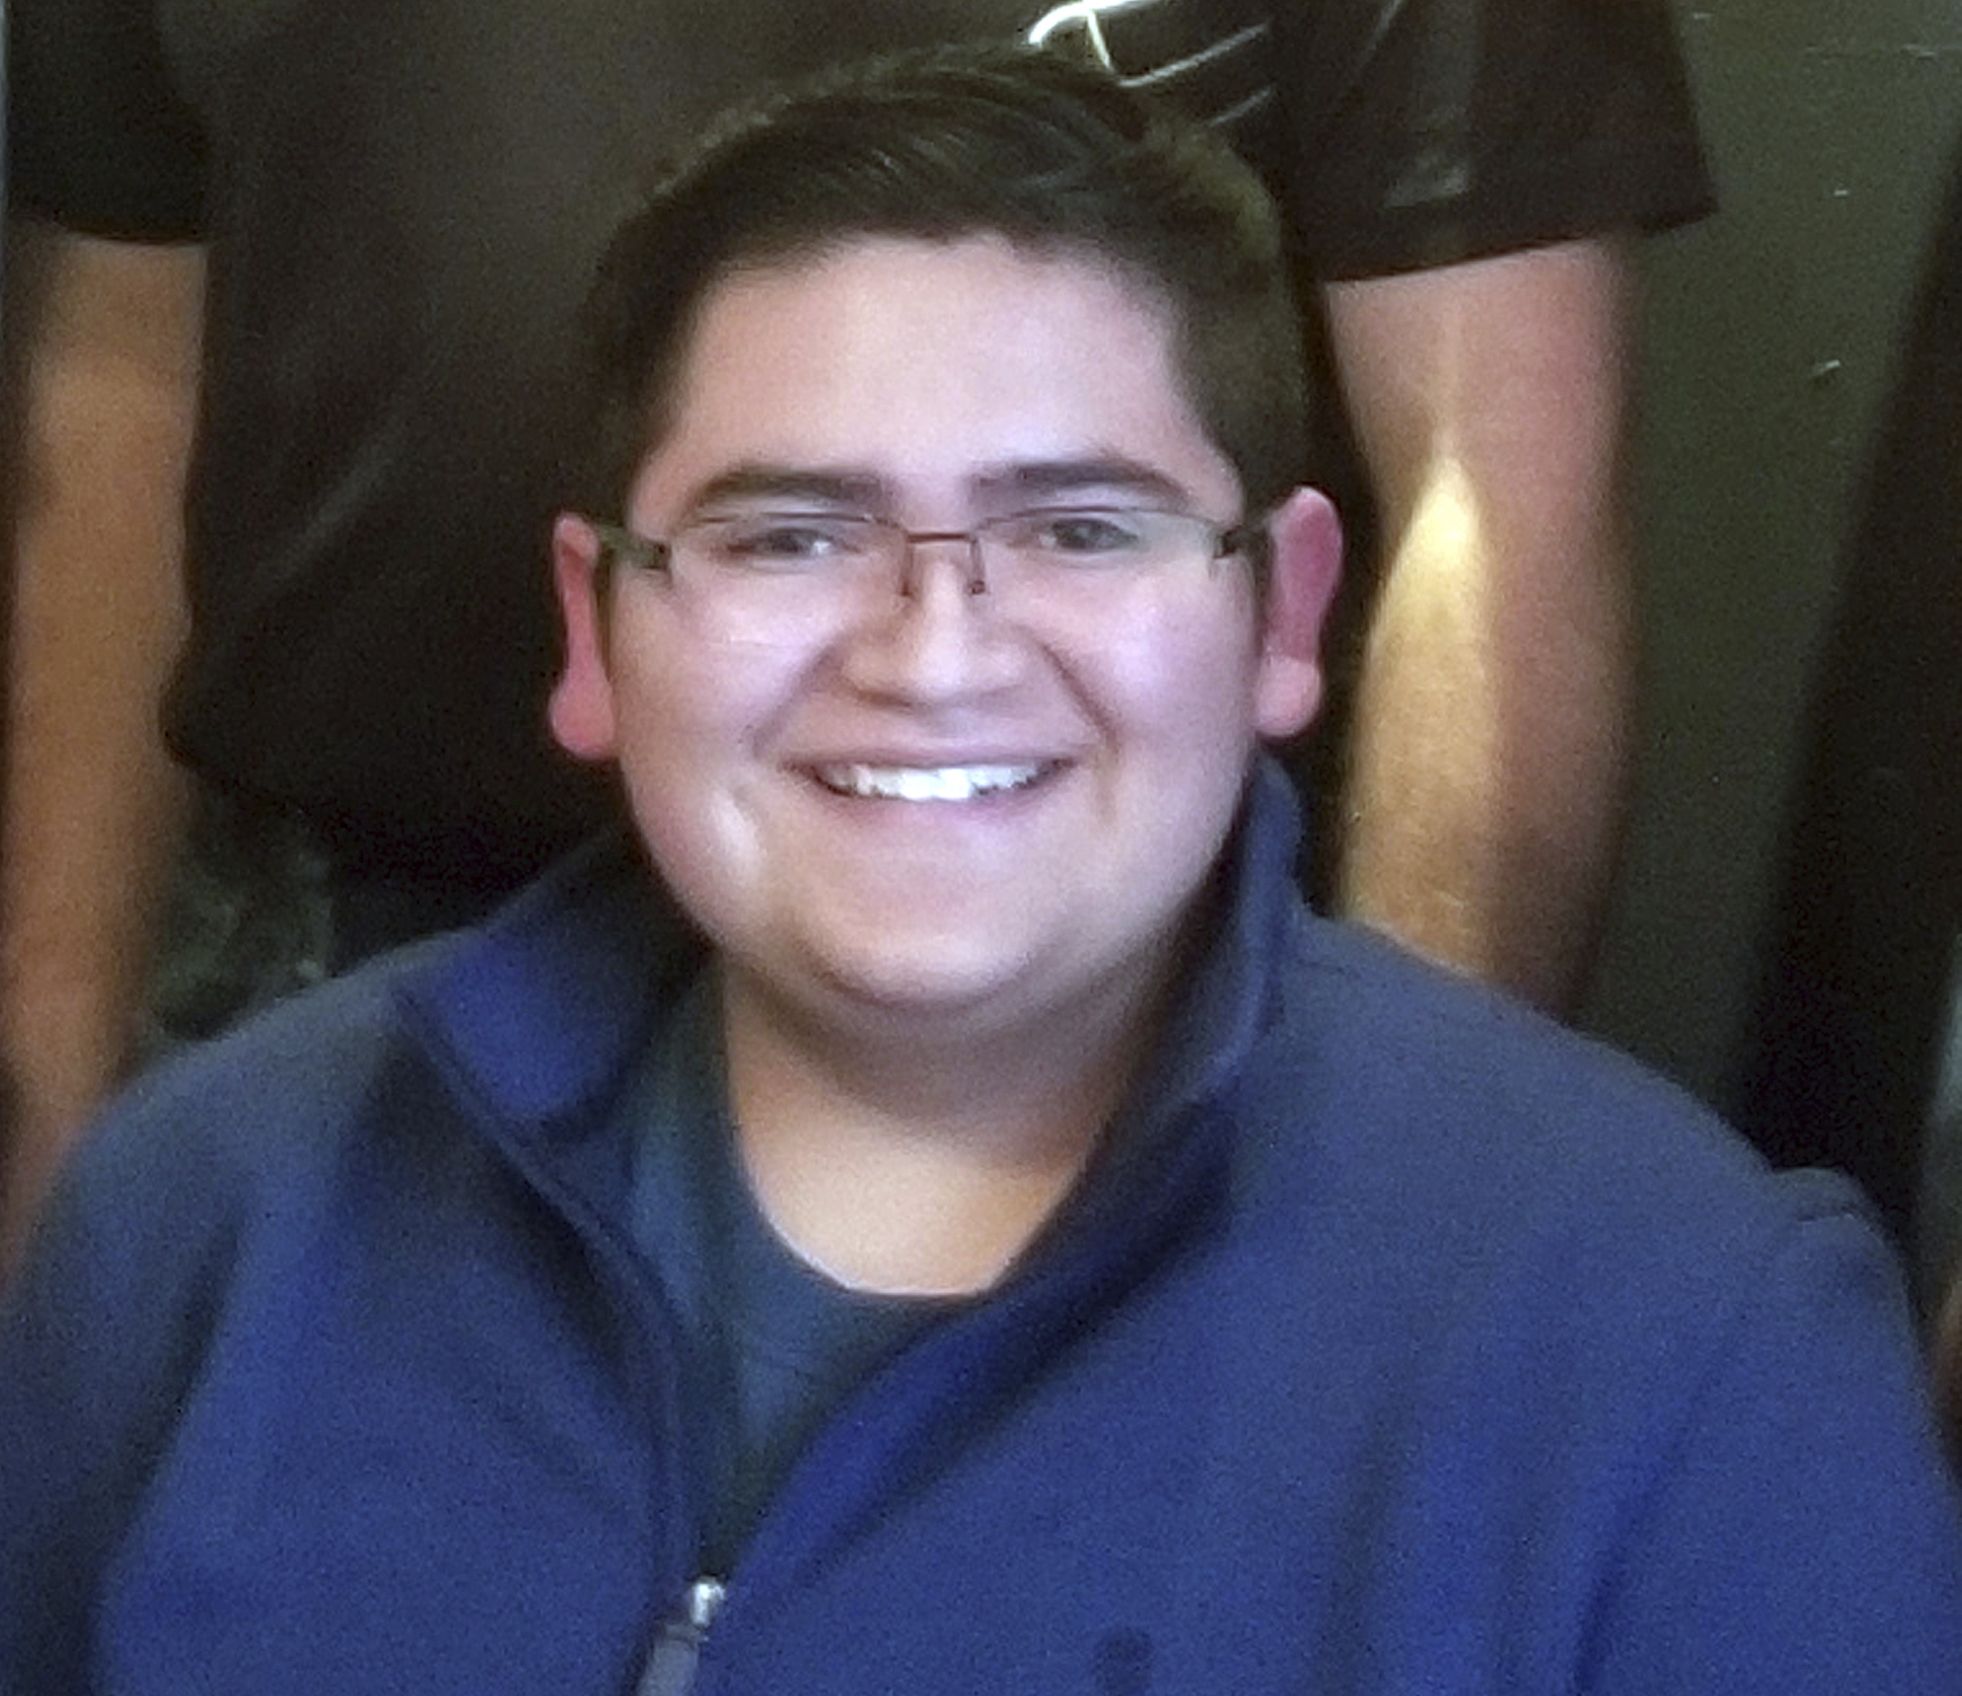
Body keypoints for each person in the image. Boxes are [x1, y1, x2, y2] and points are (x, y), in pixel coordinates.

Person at [1, 51, 1954, 1695]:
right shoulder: (203, 1230)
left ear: (1281, 613)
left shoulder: (1694, 1363)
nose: (934, 648)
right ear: (597, 634)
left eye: (1081, 529)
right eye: (787, 535)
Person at [0, 0, 1713, 1265]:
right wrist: (46, 1097)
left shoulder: (1722, 1330)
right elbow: (127, 381)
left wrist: (1383, 1201)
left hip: (1076, 1009)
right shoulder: (195, 1201)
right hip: (328, 948)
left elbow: (1493, 507)